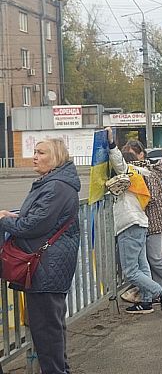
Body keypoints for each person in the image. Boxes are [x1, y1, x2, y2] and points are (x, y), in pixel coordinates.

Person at [0, 139, 79, 374]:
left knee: (46, 331)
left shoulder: (56, 186)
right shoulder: (56, 183)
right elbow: (40, 219)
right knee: (51, 327)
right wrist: (15, 217)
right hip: (50, 264)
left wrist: (5, 220)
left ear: (56, 157)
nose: (35, 157)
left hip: (46, 267)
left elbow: (33, 225)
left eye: (41, 152)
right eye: (34, 151)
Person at [106, 128, 162, 316]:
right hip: (140, 223)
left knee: (130, 270)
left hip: (129, 224)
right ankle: (145, 302)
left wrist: (111, 145)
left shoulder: (127, 172)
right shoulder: (142, 172)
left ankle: (161, 293)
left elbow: (119, 163)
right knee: (142, 266)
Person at [120, 140, 162, 304]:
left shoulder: (145, 173)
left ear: (141, 154)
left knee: (155, 258)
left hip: (152, 221)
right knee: (153, 259)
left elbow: (150, 198)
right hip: (153, 220)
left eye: (132, 154)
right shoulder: (149, 171)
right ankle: (158, 291)